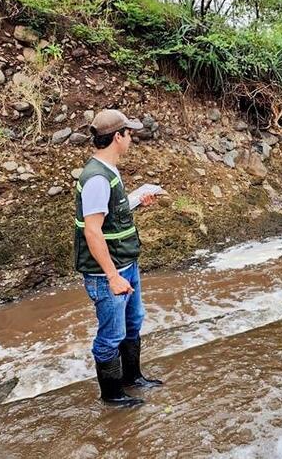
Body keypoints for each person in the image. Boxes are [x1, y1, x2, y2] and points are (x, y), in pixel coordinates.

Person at [74, 109, 163, 407]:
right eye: (129, 134)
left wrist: (136, 200)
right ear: (117, 137)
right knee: (111, 335)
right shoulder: (97, 179)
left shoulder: (108, 171)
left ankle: (132, 378)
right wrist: (113, 277)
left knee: (133, 322)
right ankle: (112, 397)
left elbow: (111, 215)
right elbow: (93, 232)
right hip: (109, 273)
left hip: (126, 263)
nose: (132, 139)